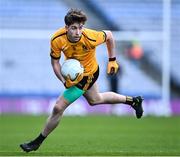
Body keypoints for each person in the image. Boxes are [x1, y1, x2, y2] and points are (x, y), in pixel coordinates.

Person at [20, 8, 143, 153]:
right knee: (95, 99)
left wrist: (112, 60)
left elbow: (109, 35)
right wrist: (64, 81)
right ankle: (133, 101)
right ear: (66, 28)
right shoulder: (57, 39)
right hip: (75, 74)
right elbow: (55, 63)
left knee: (58, 107)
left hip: (89, 73)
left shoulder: (90, 36)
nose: (78, 32)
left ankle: (36, 142)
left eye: (80, 27)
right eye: (74, 28)